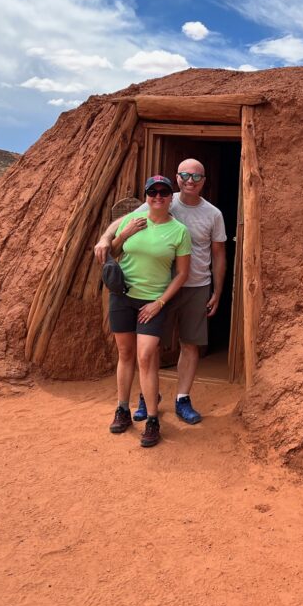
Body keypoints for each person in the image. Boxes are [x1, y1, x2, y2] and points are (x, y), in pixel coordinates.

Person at [95, 158, 227, 425]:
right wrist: (105, 238)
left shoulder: (213, 214)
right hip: (158, 288)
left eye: (196, 177)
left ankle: (182, 398)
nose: (190, 181)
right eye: (185, 175)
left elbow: (219, 253)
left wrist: (217, 290)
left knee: (190, 344)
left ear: (204, 181)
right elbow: (124, 220)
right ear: (177, 178)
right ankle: (148, 396)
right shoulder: (163, 199)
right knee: (151, 347)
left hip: (196, 285)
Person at [106, 175, 191, 448]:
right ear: (146, 196)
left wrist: (160, 303)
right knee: (126, 353)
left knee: (145, 355)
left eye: (163, 193)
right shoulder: (134, 221)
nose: (157, 197)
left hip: (152, 302)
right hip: (123, 297)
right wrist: (126, 233)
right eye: (152, 192)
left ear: (170, 197)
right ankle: (122, 409)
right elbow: (113, 251)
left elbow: (181, 274)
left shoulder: (179, 231)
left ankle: (153, 419)